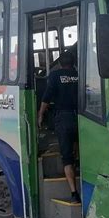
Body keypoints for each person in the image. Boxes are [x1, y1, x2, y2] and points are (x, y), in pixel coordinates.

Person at [38, 51, 80, 203]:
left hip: (63, 118)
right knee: (78, 143)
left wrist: (40, 114)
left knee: (66, 157)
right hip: (82, 117)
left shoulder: (55, 76)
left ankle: (74, 193)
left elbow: (46, 98)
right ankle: (80, 166)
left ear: (60, 63)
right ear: (74, 62)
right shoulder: (79, 74)